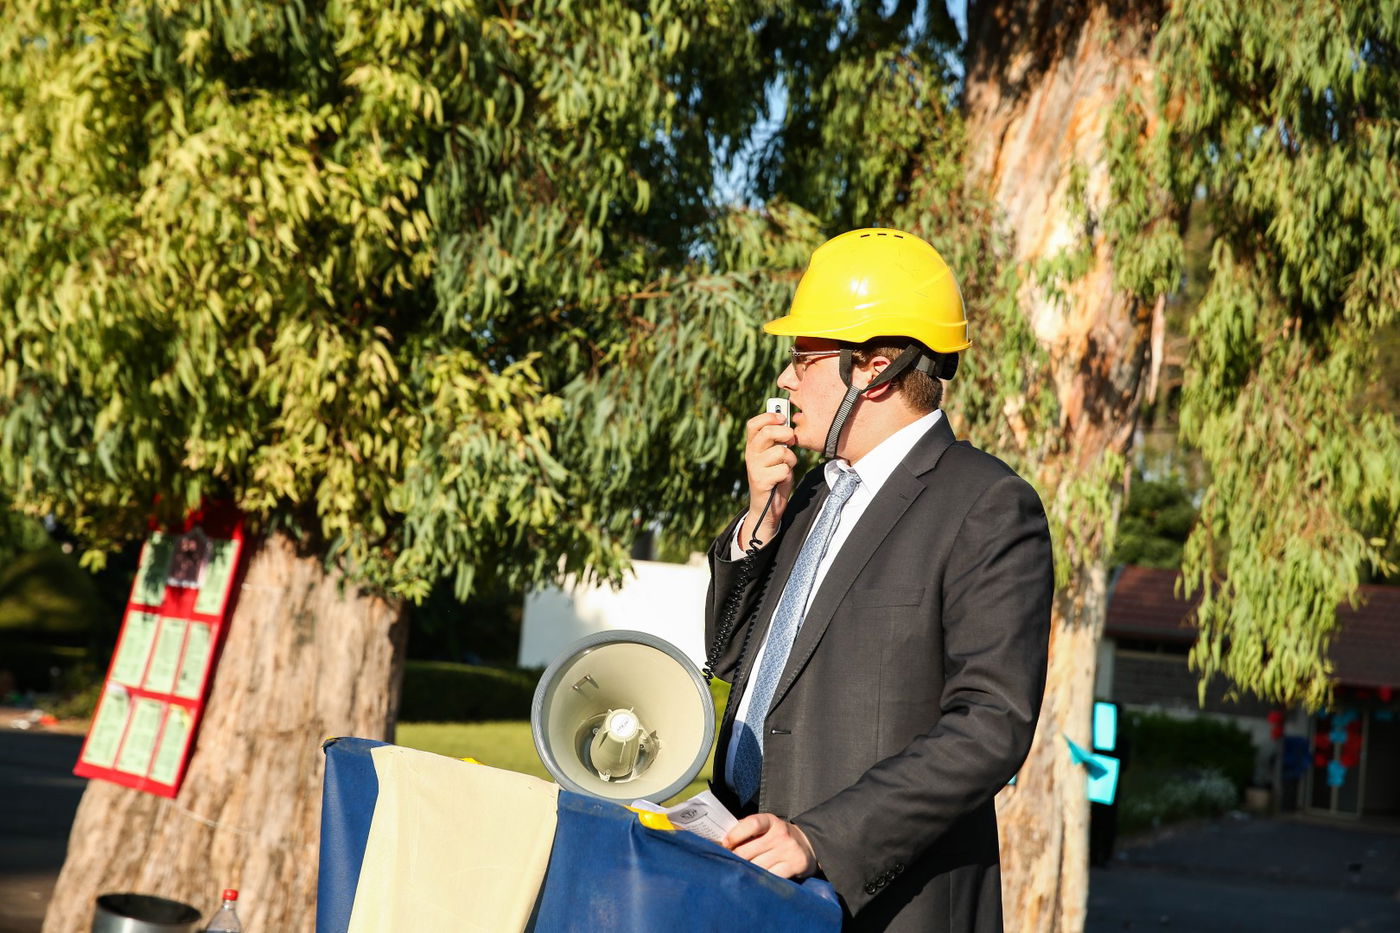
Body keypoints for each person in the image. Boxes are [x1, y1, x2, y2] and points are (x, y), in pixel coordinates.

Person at [706, 228, 1053, 932]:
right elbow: (726, 658)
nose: (785, 378)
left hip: (880, 906)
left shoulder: (985, 504)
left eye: (805, 356)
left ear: (876, 368)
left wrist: (819, 839)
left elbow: (991, 725)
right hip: (749, 877)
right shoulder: (808, 496)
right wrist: (760, 522)